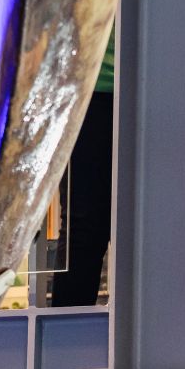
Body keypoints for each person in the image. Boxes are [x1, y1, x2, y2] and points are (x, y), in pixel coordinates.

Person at [46, 36, 114, 306]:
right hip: (86, 85)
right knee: (84, 228)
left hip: (151, 78)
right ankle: (66, 338)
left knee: (152, 227)